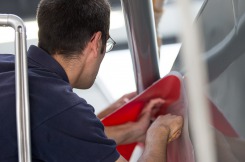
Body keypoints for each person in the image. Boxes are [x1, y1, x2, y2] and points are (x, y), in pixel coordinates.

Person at [0, 0, 183, 161]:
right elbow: (61, 122)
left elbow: (59, 134)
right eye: (107, 44)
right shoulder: (59, 106)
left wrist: (134, 130)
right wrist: (158, 133)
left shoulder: (8, 65)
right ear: (96, 42)